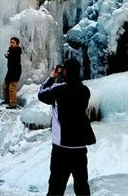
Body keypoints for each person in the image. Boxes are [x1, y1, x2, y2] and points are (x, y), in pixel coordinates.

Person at [37, 58, 96, 196]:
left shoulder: (59, 89)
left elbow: (41, 94)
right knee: (81, 187)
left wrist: (52, 77)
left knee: (56, 188)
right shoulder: (85, 91)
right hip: (80, 148)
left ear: (65, 71)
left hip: (61, 149)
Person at [2, 37, 22, 108]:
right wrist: (7, 55)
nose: (11, 44)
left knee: (12, 88)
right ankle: (7, 100)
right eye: (11, 42)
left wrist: (8, 55)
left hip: (16, 71)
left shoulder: (17, 50)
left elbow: (13, 56)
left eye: (13, 42)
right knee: (5, 85)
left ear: (17, 44)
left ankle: (13, 104)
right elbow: (9, 56)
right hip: (10, 71)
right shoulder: (11, 49)